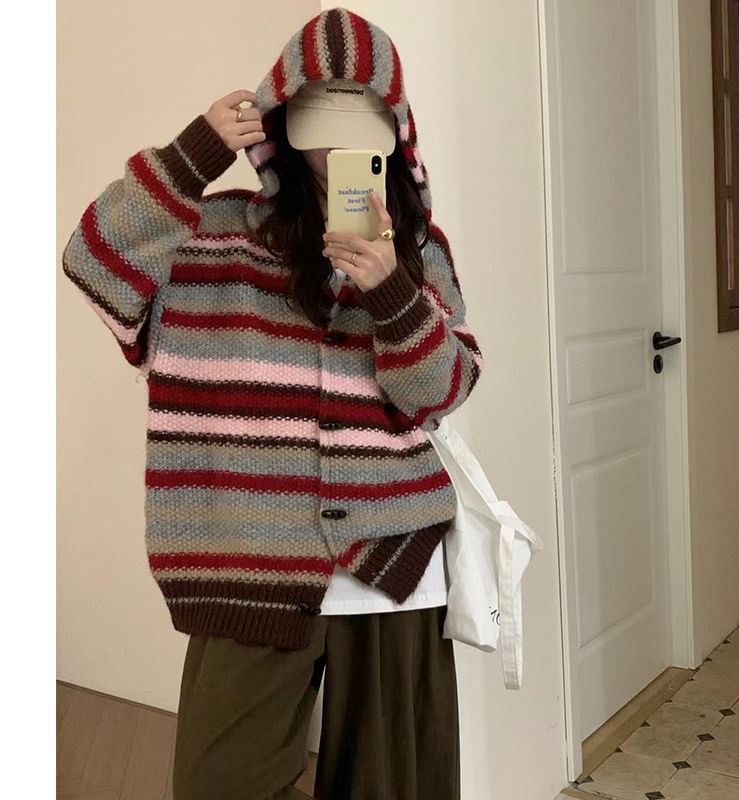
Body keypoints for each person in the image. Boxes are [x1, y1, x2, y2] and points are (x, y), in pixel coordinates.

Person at [61, 7, 483, 799]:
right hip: (246, 561)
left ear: (395, 128)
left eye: (365, 109)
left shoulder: (422, 252)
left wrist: (391, 290)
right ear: (282, 118)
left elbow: (443, 393)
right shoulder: (209, 236)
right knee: (218, 783)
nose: (339, 138)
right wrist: (191, 156)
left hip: (392, 563)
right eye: (320, 108)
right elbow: (95, 263)